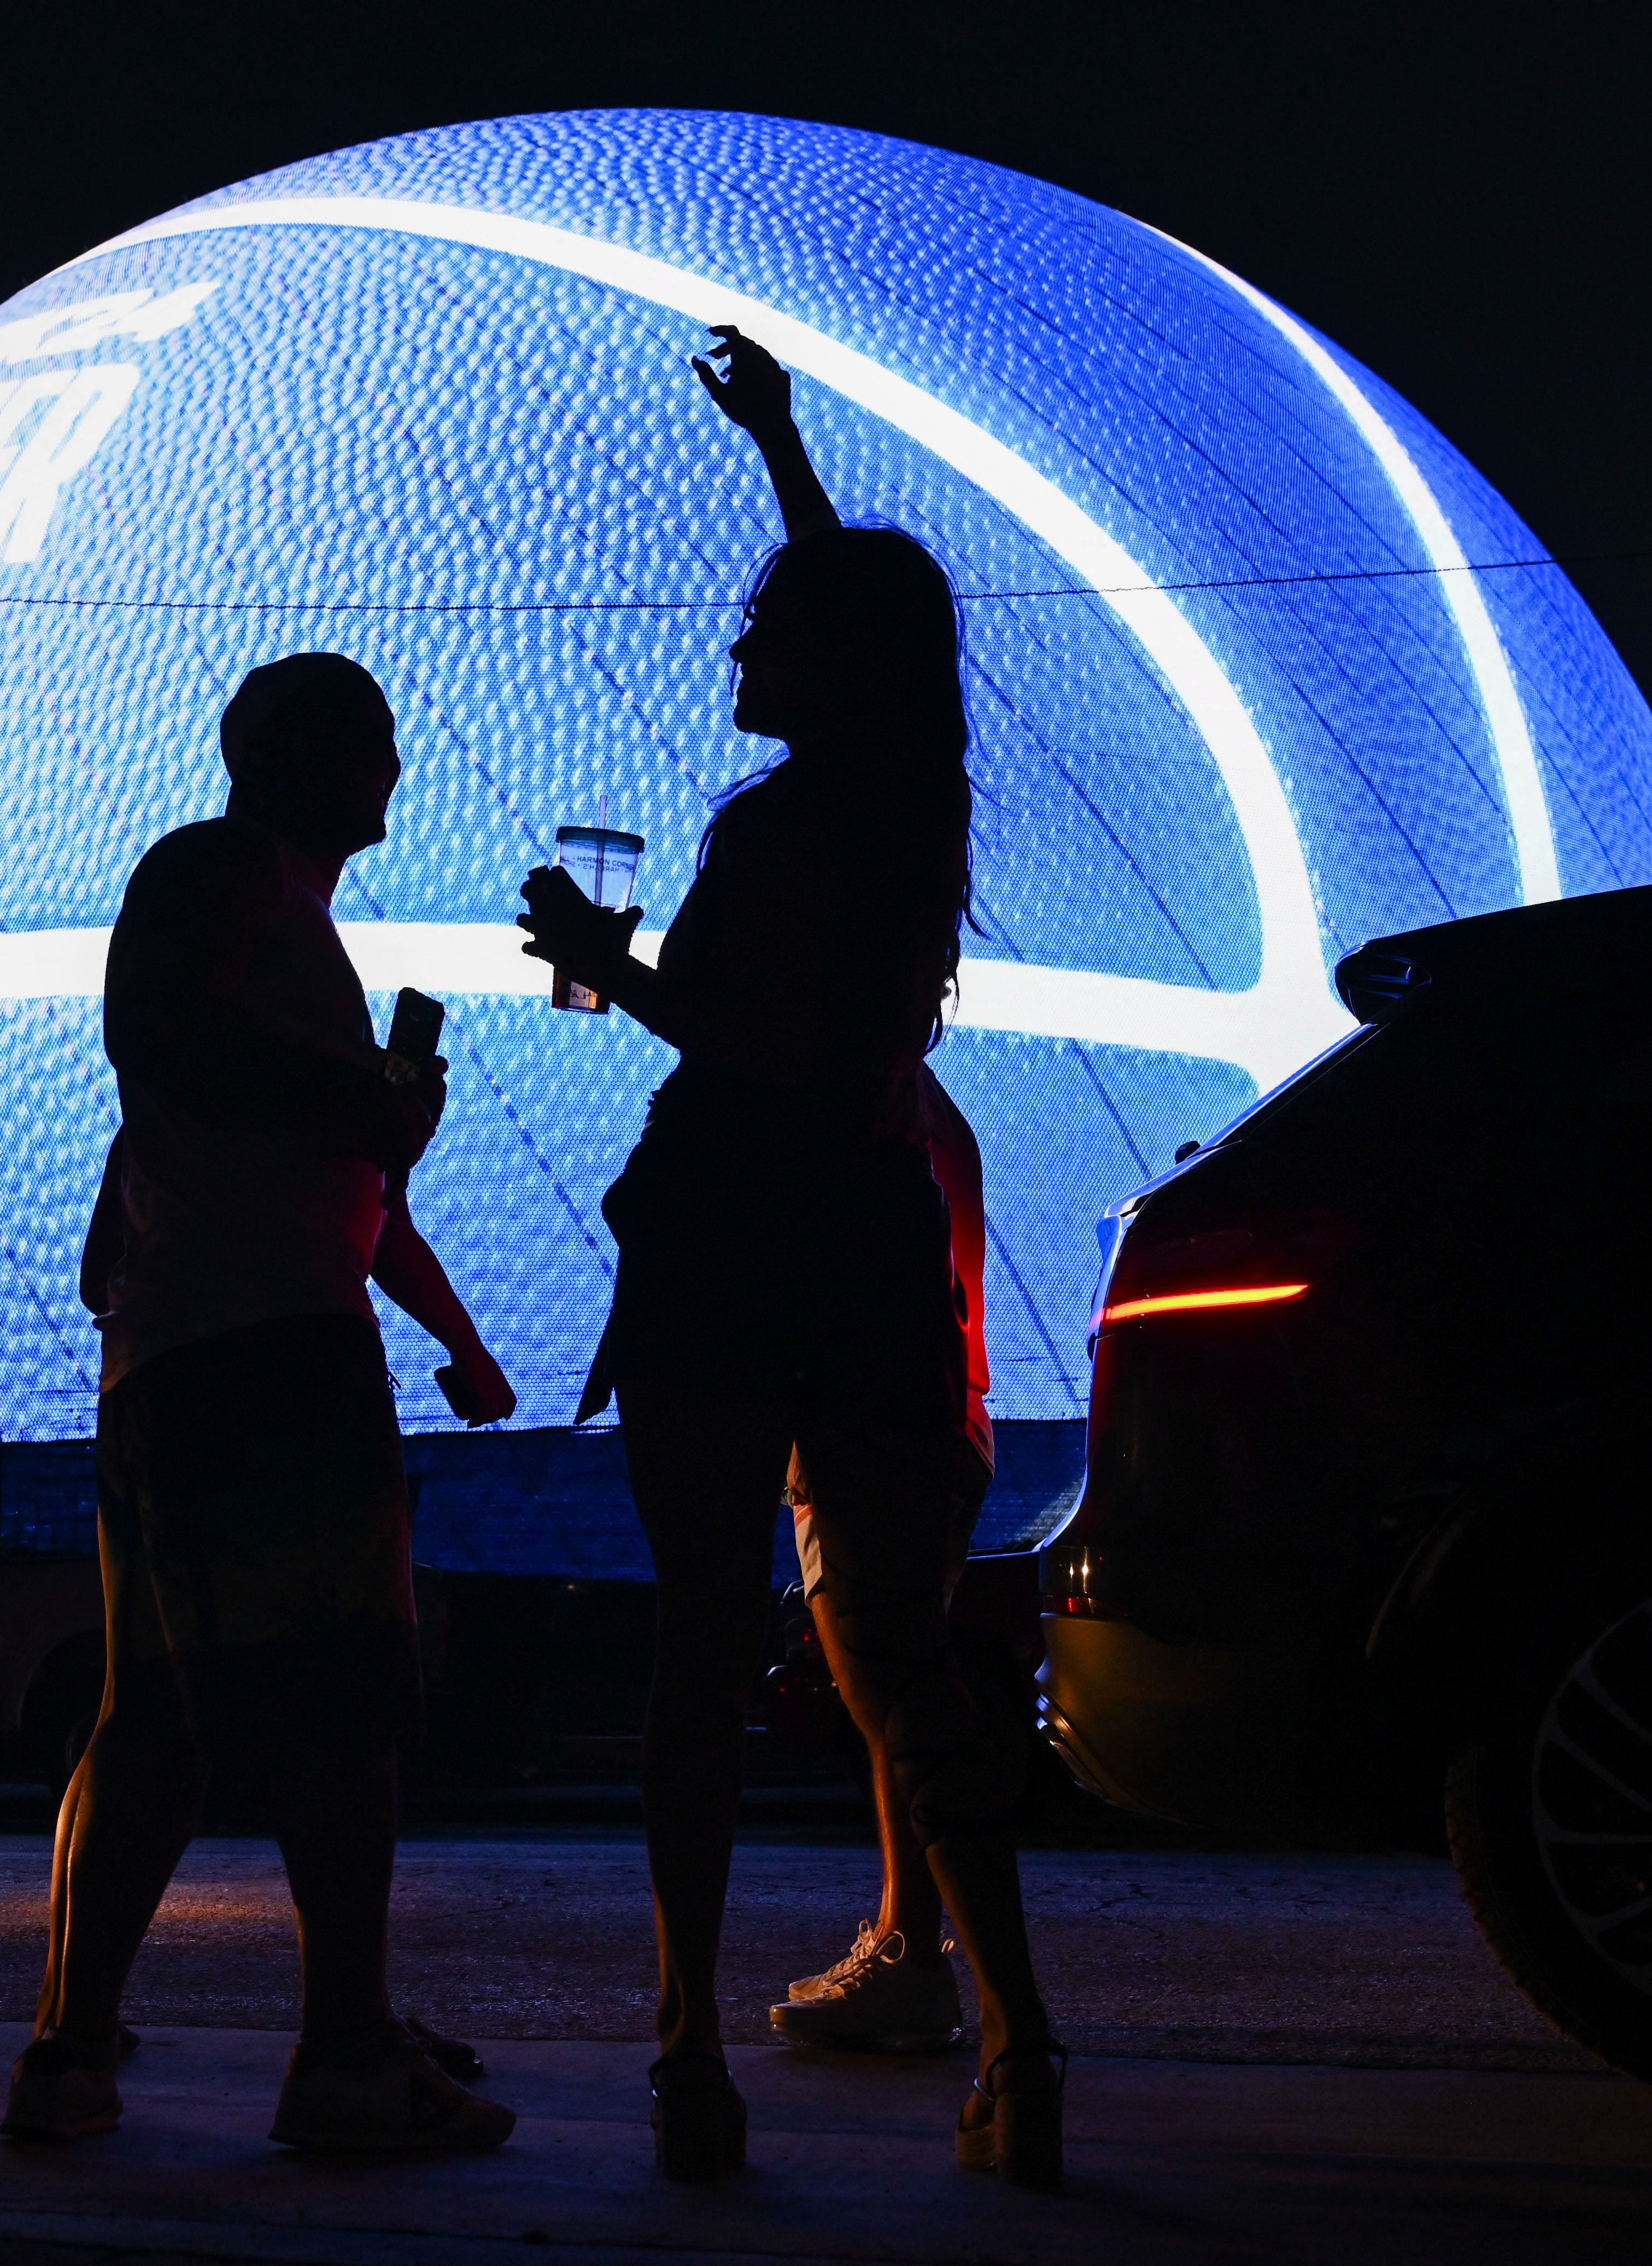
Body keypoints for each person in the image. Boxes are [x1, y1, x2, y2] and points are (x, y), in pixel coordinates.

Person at [516, 330, 1065, 2188]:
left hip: (728, 1244)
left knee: (695, 1652)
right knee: (904, 1663)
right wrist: (782, 448)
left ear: (822, 660)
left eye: (759, 630)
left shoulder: (774, 824)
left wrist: (606, 950)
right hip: (869, 1244)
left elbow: (748, 1048)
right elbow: (876, 629)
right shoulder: (915, 795)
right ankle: (1020, 2038)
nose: (734, 651)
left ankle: (684, 2053)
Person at [5, 651, 517, 2154]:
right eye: (377, 746)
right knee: (344, 1707)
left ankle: (72, 2049)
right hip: (271, 1357)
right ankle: (347, 2055)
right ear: (302, 756)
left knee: (156, 1714)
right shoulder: (221, 870)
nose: (397, 777)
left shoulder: (285, 922)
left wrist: (458, 1333)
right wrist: (359, 1100)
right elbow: (156, 1031)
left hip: (188, 1356)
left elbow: (294, 1182)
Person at [769, 1064, 993, 2057]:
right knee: (888, 1705)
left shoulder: (868, 1111)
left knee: (896, 1703)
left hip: (880, 1427)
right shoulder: (917, 1105)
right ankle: (908, 1937)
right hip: (929, 1419)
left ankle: (922, 1961)